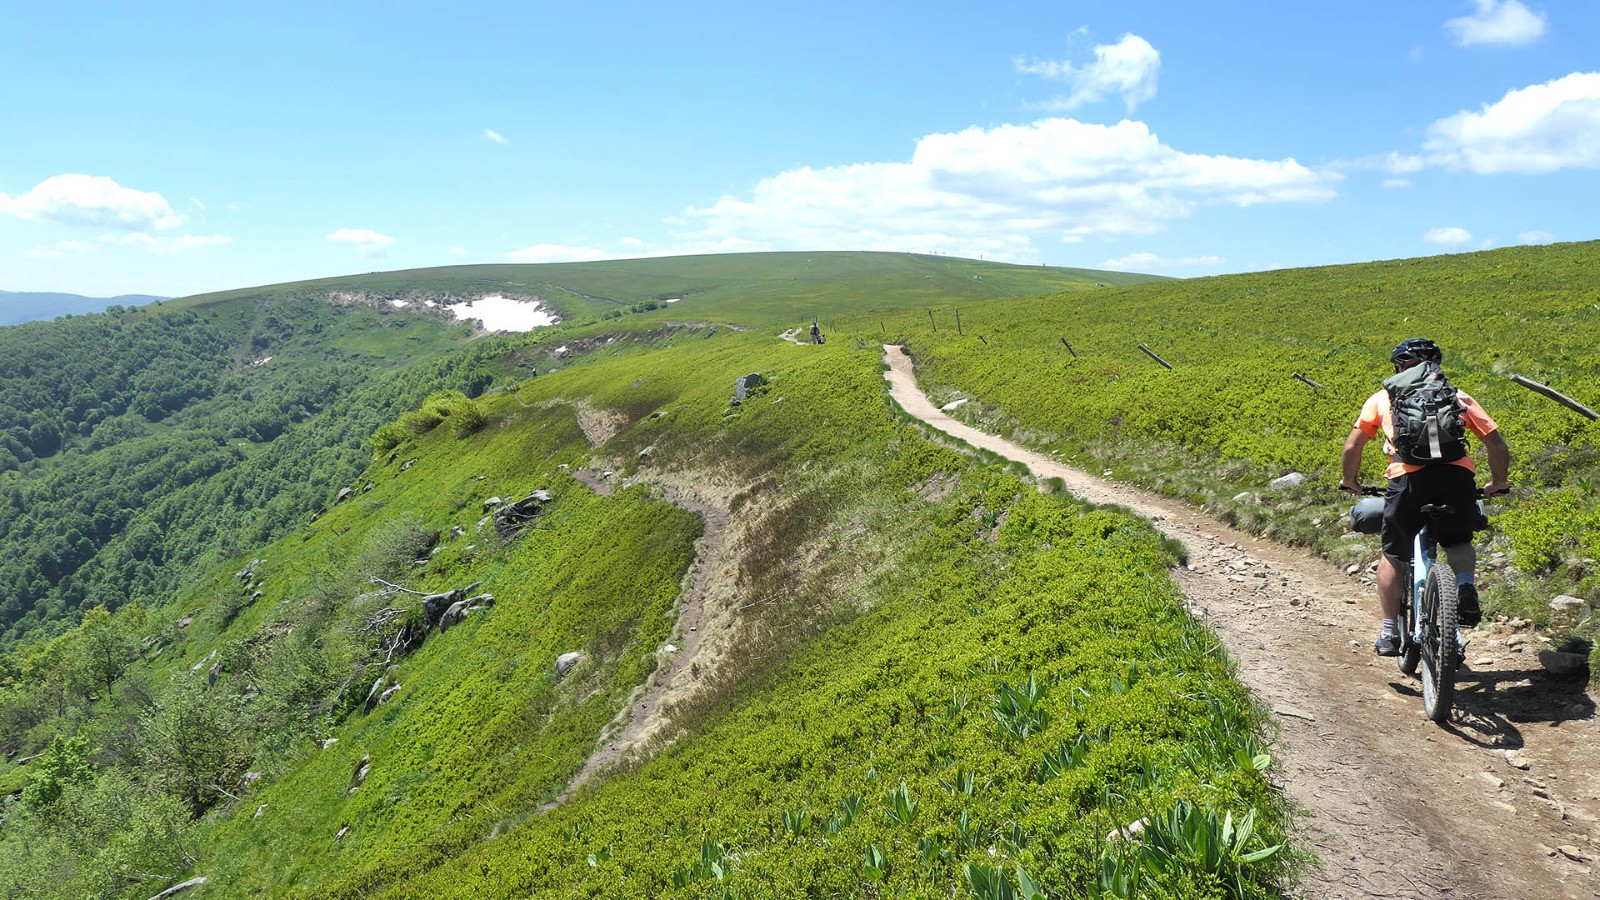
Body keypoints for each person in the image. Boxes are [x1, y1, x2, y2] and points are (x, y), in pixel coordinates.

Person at [1339, 338, 1510, 656]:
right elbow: (1496, 444)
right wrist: (1498, 481)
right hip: (1456, 478)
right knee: (1458, 541)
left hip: (1407, 480)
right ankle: (1464, 585)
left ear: (1400, 366)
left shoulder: (1383, 398)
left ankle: (1389, 632)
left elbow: (1353, 446)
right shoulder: (1457, 396)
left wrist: (1350, 480)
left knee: (1393, 553)